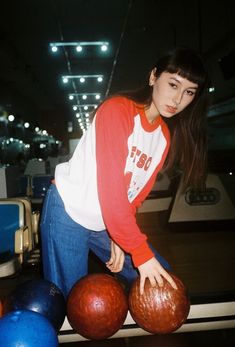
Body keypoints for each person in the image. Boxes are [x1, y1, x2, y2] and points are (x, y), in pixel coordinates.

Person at [40, 46, 209, 298]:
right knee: (71, 301)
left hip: (105, 220)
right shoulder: (118, 111)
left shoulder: (162, 137)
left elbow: (134, 196)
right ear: (153, 77)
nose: (177, 99)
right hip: (68, 212)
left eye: (189, 92)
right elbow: (112, 192)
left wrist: (119, 237)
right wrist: (138, 252)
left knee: (163, 282)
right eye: (173, 85)